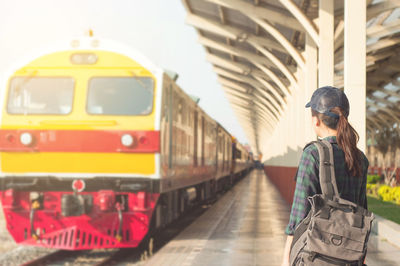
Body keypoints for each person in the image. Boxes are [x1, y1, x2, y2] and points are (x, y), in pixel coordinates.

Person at [281, 86, 369, 266]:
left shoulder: (313, 154)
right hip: (351, 256)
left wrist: (286, 257)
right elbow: (362, 209)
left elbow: (299, 214)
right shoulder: (361, 158)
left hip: (317, 255)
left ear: (316, 120)